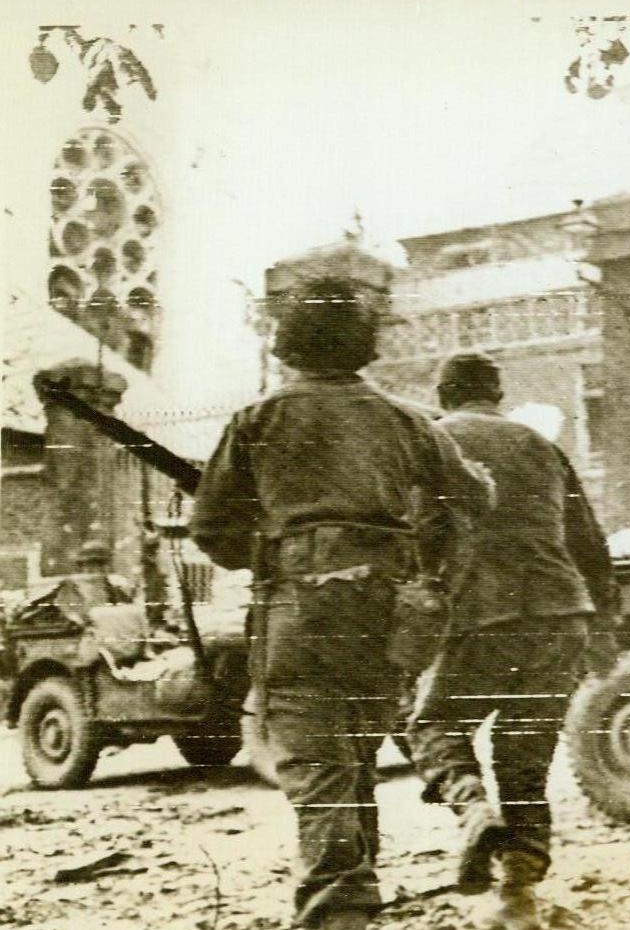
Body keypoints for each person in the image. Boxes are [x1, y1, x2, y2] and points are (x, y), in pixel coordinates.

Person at [190, 278, 492, 930]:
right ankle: (358, 897)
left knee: (320, 769)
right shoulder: (407, 420)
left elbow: (210, 529)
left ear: (290, 342)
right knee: (356, 757)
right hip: (387, 610)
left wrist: (272, 549)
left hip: (298, 608)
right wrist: (426, 564)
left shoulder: (258, 420)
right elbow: (476, 496)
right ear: (362, 344)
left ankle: (339, 913)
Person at [406, 351, 618, 930]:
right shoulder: (541, 446)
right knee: (524, 756)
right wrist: (604, 622)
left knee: (433, 724)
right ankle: (517, 897)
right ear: (497, 396)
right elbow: (589, 541)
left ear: (444, 395)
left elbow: (418, 531)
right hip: (561, 611)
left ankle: (473, 808)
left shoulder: (433, 440)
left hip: (481, 610)